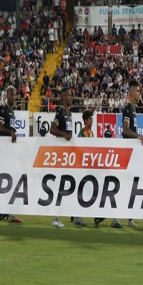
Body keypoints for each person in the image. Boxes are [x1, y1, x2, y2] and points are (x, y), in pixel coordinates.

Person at [113, 80, 143, 231]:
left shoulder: (133, 110)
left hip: (133, 154)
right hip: (128, 155)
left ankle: (131, 218)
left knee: (134, 186)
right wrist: (138, 136)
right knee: (132, 186)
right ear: (131, 93)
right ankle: (118, 218)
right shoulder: (127, 109)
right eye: (137, 91)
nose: (140, 93)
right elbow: (125, 130)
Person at [49, 87, 86, 227]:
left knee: (74, 184)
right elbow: (52, 129)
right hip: (62, 155)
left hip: (69, 155)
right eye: (70, 96)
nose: (72, 98)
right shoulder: (60, 112)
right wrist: (63, 134)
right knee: (61, 185)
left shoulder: (69, 114)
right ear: (64, 97)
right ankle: (55, 217)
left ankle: (75, 216)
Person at [0, 86, 23, 224]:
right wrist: (10, 132)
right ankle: (6, 211)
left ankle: (6, 211)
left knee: (8, 180)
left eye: (15, 94)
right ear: (7, 95)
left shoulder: (12, 112)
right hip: (4, 150)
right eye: (11, 94)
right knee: (7, 179)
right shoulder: (4, 110)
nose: (13, 96)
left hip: (10, 150)